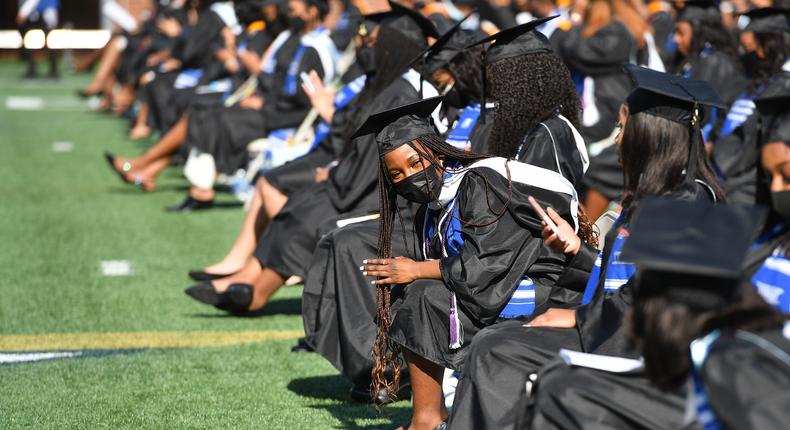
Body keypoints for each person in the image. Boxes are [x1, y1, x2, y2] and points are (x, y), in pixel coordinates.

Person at [299, 18, 591, 406]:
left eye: (503, 77)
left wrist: (423, 266)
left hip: (529, 265)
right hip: (485, 245)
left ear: (526, 75)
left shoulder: (551, 134)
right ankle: (382, 364)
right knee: (361, 246)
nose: (495, 88)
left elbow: (528, 227)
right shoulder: (509, 126)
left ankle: (412, 386)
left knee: (421, 290)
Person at [447, 65, 726, 430]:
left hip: (635, 348)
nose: (616, 139)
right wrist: (576, 249)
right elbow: (625, 277)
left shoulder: (688, 204)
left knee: (499, 349)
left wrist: (580, 318)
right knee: (497, 339)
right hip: (612, 327)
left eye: (623, 127)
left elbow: (656, 299)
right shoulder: (659, 195)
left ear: (650, 137)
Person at [184, 1, 441, 313]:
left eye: (374, 42)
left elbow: (376, 156)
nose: (365, 47)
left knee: (309, 218)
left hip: (374, 193)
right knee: (299, 205)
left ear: (394, 47)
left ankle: (255, 294)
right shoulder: (384, 84)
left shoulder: (402, 93)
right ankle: (249, 280)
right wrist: (336, 172)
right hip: (352, 178)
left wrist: (334, 175)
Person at [712, 6, 790, 205]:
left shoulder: (783, 88)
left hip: (743, 181)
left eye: (752, 49)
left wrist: (716, 150)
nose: (747, 56)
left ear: (768, 44)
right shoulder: (746, 83)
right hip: (721, 164)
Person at [17, 0, 60, 79]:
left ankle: (50, 69)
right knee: (49, 41)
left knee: (48, 41)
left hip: (44, 12)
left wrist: (24, 12)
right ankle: (51, 69)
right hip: (45, 12)